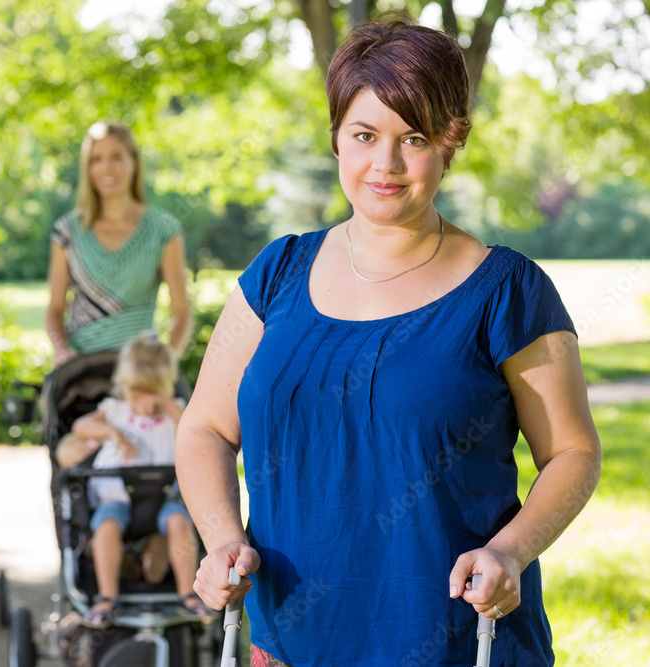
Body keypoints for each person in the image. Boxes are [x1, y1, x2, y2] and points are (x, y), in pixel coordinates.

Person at [175, 14, 601, 667]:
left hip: (455, 642)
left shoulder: (510, 290)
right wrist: (222, 537)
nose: (386, 164)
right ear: (337, 139)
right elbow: (204, 424)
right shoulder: (276, 275)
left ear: (451, 140)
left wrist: (510, 549)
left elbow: (573, 450)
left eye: (415, 138)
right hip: (289, 643)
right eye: (365, 134)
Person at [55, 332, 208, 627]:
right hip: (116, 499)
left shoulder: (173, 413)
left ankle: (187, 593)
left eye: (154, 394)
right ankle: (107, 595)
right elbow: (81, 425)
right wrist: (113, 433)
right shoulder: (115, 412)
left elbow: (194, 427)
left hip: (164, 499)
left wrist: (168, 402)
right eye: (137, 395)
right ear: (125, 389)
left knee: (180, 522)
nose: (145, 404)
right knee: (107, 526)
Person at [45, 121, 192, 365]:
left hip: (139, 372)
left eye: (116, 157)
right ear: (87, 168)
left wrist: (166, 360)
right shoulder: (67, 231)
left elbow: (181, 311)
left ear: (134, 162)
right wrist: (61, 351)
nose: (107, 168)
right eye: (96, 159)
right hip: (81, 373)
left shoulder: (164, 230)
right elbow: (54, 311)